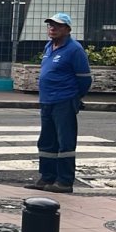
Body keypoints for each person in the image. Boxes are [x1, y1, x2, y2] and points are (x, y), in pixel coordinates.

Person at [24, 13, 92, 194]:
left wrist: (74, 98)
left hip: (64, 101)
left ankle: (64, 181)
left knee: (65, 142)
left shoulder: (74, 50)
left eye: (57, 26)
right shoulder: (49, 46)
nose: (52, 28)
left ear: (67, 29)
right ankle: (47, 177)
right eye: (50, 25)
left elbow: (84, 79)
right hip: (47, 101)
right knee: (46, 141)